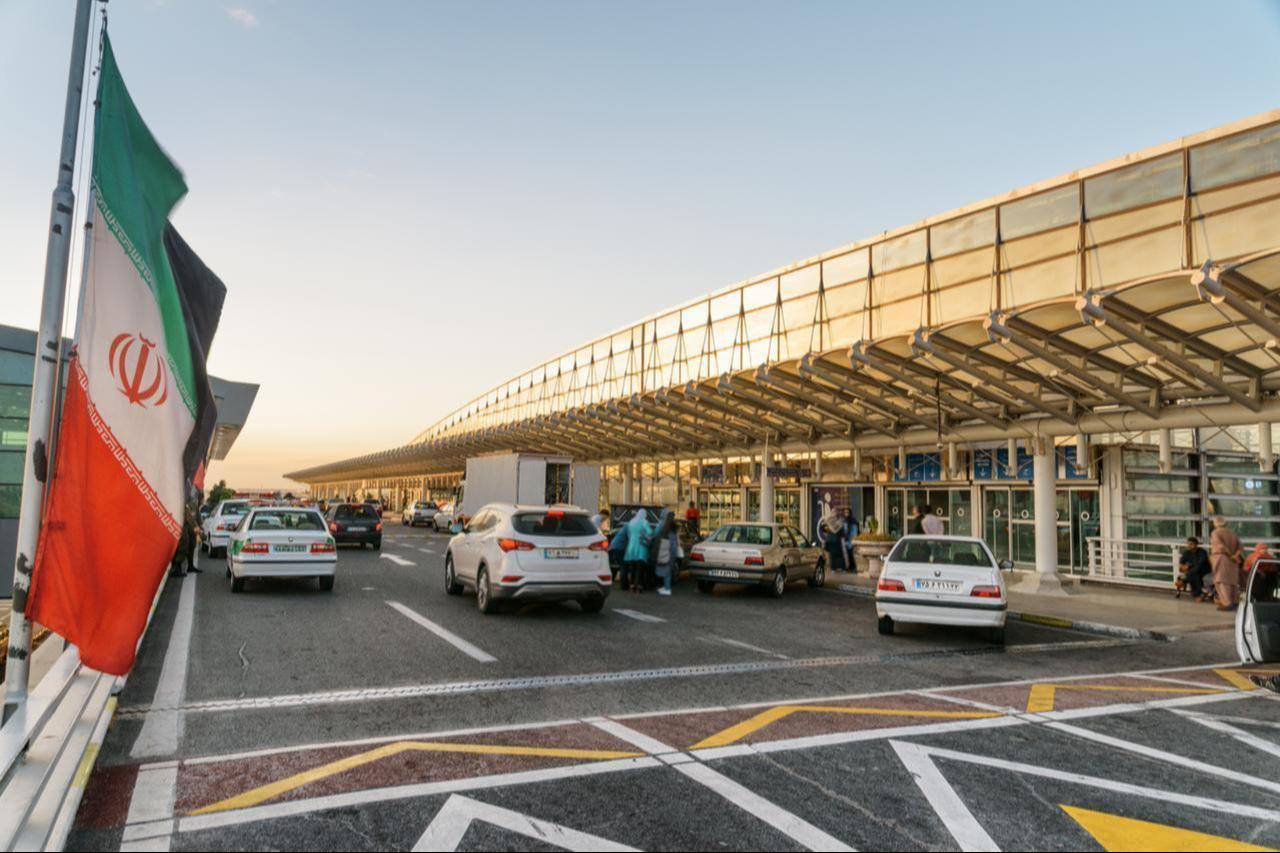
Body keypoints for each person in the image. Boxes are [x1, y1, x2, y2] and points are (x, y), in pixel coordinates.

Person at [1209, 516, 1243, 611]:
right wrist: (1235, 556)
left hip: (1221, 558)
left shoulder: (1215, 533)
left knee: (1221, 581)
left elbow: (1221, 547)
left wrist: (1230, 555)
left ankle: (1227, 603)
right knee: (1233, 582)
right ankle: (1235, 602)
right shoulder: (1233, 533)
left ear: (1215, 524)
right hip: (1233, 561)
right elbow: (1240, 548)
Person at [623, 510, 653, 593]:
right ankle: (639, 586)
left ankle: (632, 585)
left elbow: (628, 534)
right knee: (640, 568)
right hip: (640, 546)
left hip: (631, 546)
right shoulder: (644, 522)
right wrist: (644, 534)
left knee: (632, 567)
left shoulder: (631, 522)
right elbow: (650, 532)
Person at [653, 510, 680, 596]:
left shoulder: (663, 525)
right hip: (673, 549)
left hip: (666, 549)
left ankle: (667, 588)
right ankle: (665, 586)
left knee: (665, 569)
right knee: (668, 568)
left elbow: (656, 534)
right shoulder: (673, 525)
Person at [840, 508, 858, 574]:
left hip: (851, 540)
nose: (846, 514)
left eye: (847, 512)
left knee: (851, 555)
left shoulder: (853, 521)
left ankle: (853, 569)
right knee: (845, 556)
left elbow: (854, 532)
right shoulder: (843, 521)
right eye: (845, 512)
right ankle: (846, 568)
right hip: (845, 541)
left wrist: (853, 540)